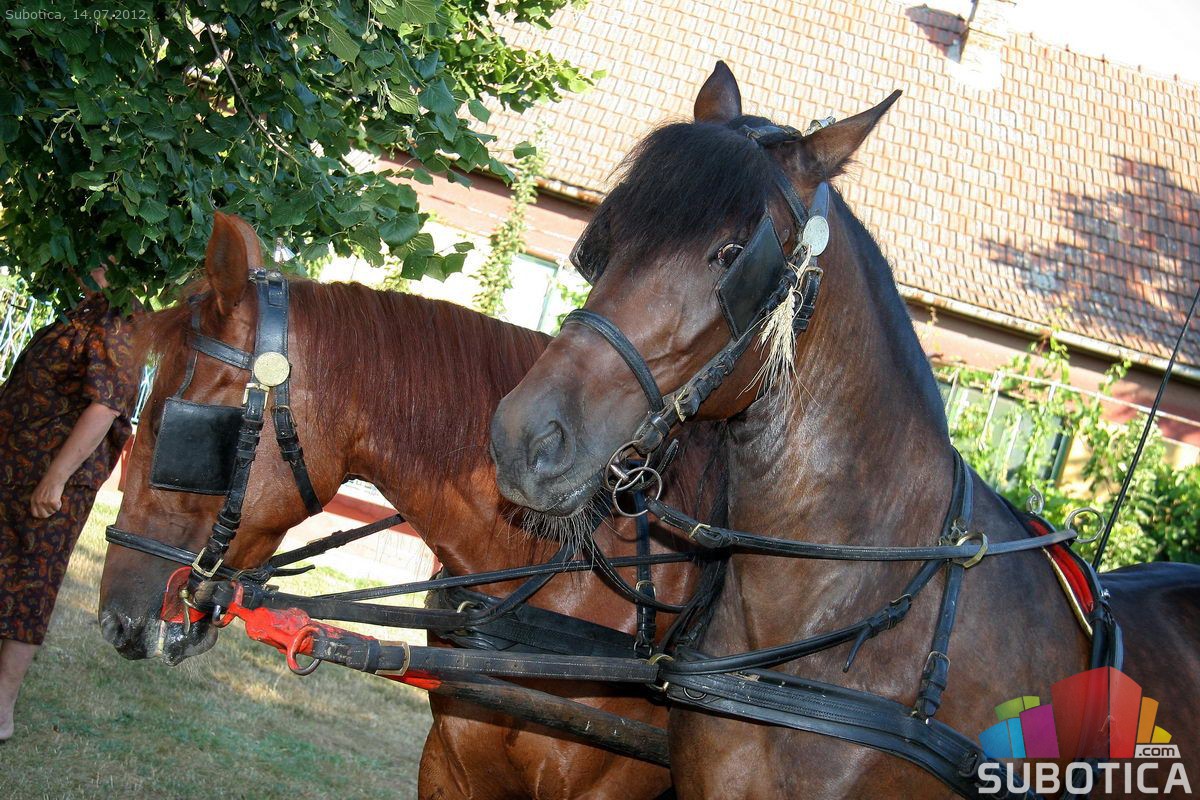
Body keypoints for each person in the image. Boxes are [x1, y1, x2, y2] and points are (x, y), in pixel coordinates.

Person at [0, 264, 139, 741]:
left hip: (49, 482)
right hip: (16, 470)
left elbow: (105, 407)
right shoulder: (86, 311)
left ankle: (2, 709)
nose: (78, 260)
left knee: (30, 584)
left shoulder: (118, 320)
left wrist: (55, 479)